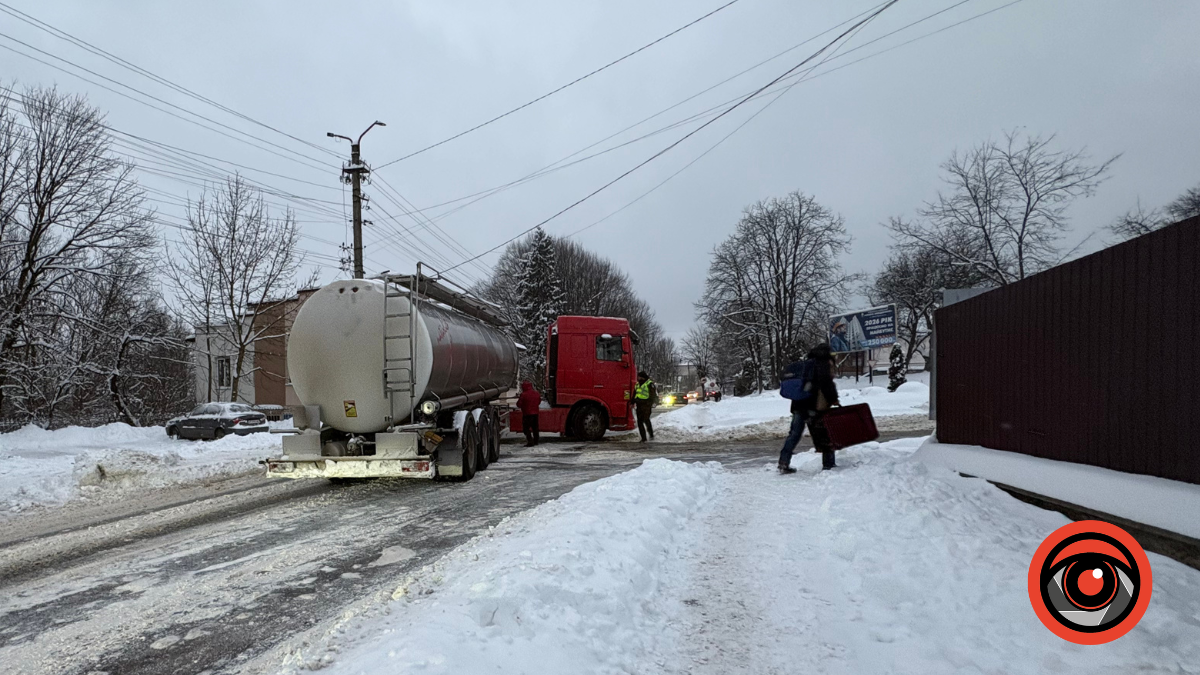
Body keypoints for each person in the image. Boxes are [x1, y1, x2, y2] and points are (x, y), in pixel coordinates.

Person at [778, 343, 840, 473]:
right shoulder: (822, 364)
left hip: (798, 405)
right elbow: (826, 384)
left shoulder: (806, 364)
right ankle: (828, 464)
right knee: (825, 434)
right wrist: (833, 398)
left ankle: (783, 462)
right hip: (814, 406)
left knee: (794, 435)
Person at [634, 371, 657, 442]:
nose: (638, 378)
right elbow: (635, 393)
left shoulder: (649, 384)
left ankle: (651, 435)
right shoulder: (637, 384)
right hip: (639, 405)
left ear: (642, 377)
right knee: (640, 422)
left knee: (646, 420)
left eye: (639, 377)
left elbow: (653, 395)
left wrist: (650, 403)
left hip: (646, 405)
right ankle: (643, 438)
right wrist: (632, 401)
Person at [517, 380, 541, 447]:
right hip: (535, 414)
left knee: (526, 429)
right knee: (535, 428)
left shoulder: (523, 394)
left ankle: (530, 441)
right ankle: (536, 441)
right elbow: (539, 402)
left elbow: (519, 404)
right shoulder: (536, 393)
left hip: (527, 414)